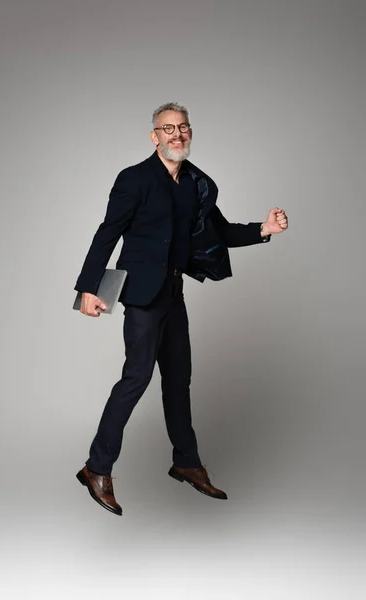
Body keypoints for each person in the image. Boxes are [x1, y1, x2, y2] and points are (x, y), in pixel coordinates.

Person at [74, 102, 288, 516]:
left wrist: (264, 230)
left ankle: (186, 462)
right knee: (135, 379)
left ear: (190, 134)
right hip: (142, 295)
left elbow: (220, 231)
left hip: (174, 292)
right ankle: (96, 467)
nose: (177, 134)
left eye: (183, 127)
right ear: (154, 137)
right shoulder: (134, 179)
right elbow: (107, 233)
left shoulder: (195, 184)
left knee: (179, 380)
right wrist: (87, 288)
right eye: (167, 128)